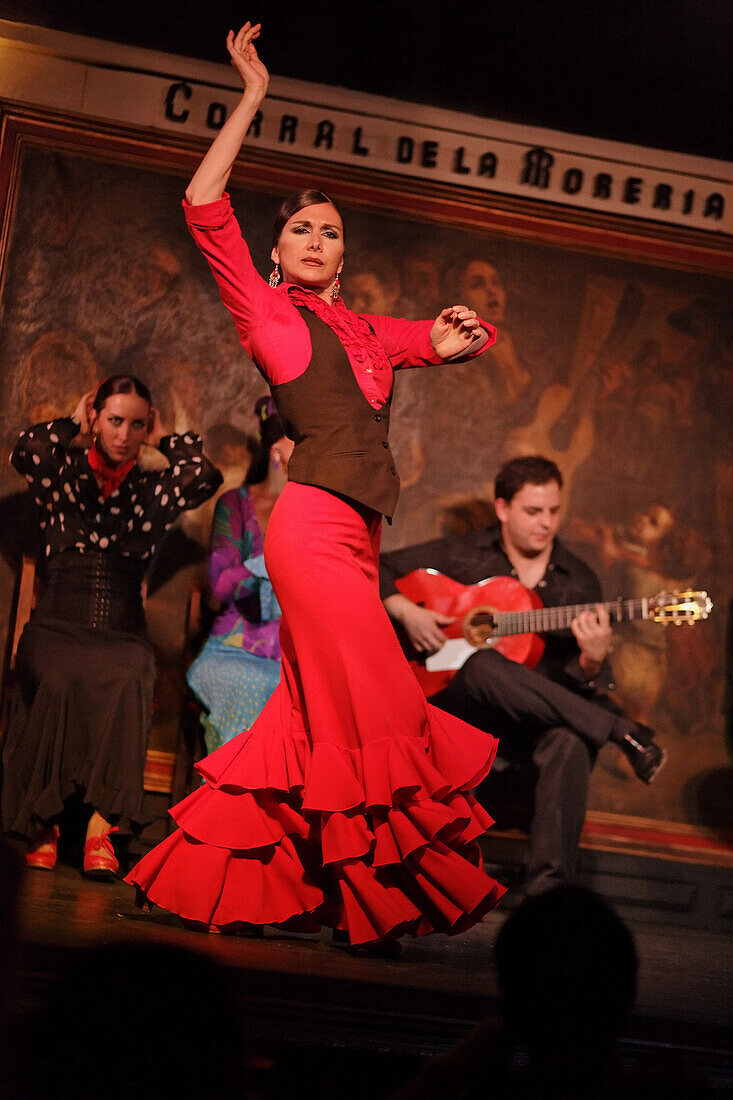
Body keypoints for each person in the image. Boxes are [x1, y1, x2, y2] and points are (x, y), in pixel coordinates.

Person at [125, 21, 505, 952]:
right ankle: (397, 893)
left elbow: (441, 336)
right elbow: (202, 199)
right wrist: (251, 95)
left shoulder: (365, 330)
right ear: (275, 253)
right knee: (379, 703)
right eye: (298, 227)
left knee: (307, 727)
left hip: (359, 533)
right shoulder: (266, 313)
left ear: (343, 259)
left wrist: (461, 334)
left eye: (330, 233)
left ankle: (225, 878)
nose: (314, 238)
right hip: (309, 533)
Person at [380, 455, 666, 896]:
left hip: (530, 731)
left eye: (554, 511)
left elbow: (582, 682)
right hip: (462, 716)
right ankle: (621, 730)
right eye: (534, 512)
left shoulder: (578, 581)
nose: (546, 523)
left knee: (570, 742)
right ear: (502, 508)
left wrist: (591, 661)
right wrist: (404, 610)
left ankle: (547, 894)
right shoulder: (464, 553)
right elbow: (376, 568)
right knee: (481, 664)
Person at [2, 375, 222, 878]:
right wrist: (74, 424)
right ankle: (45, 821)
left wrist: (168, 440)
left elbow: (203, 476)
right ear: (96, 417)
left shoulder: (153, 488)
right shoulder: (63, 474)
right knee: (57, 676)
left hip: (121, 630)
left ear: (148, 429)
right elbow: (28, 448)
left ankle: (102, 825)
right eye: (114, 420)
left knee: (133, 670)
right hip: (57, 622)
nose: (123, 434)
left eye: (136, 424)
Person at [186, 396, 292, 754]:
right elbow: (220, 583)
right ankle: (229, 801)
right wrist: (266, 565)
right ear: (278, 449)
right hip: (237, 646)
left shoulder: (316, 511)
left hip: (295, 653)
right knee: (252, 686)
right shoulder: (236, 504)